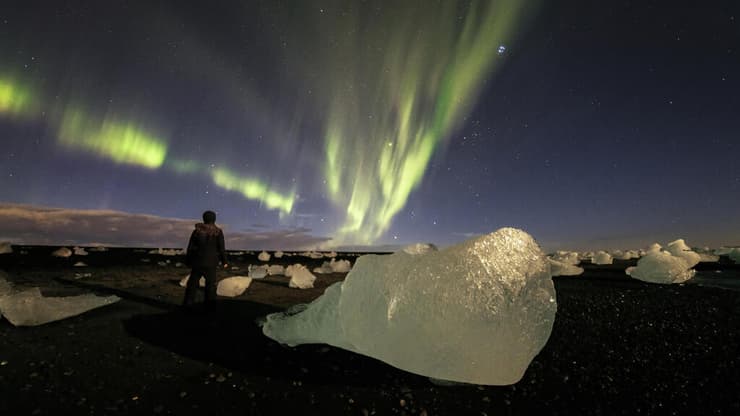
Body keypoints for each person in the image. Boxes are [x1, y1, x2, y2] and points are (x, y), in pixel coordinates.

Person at [183, 210, 228, 307]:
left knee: (192, 285)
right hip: (211, 263)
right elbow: (221, 248)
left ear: (204, 218)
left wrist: (187, 261)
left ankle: (187, 305)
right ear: (214, 219)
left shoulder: (197, 231)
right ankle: (209, 308)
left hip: (197, 262)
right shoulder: (218, 232)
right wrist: (225, 261)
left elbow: (190, 247)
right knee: (210, 287)